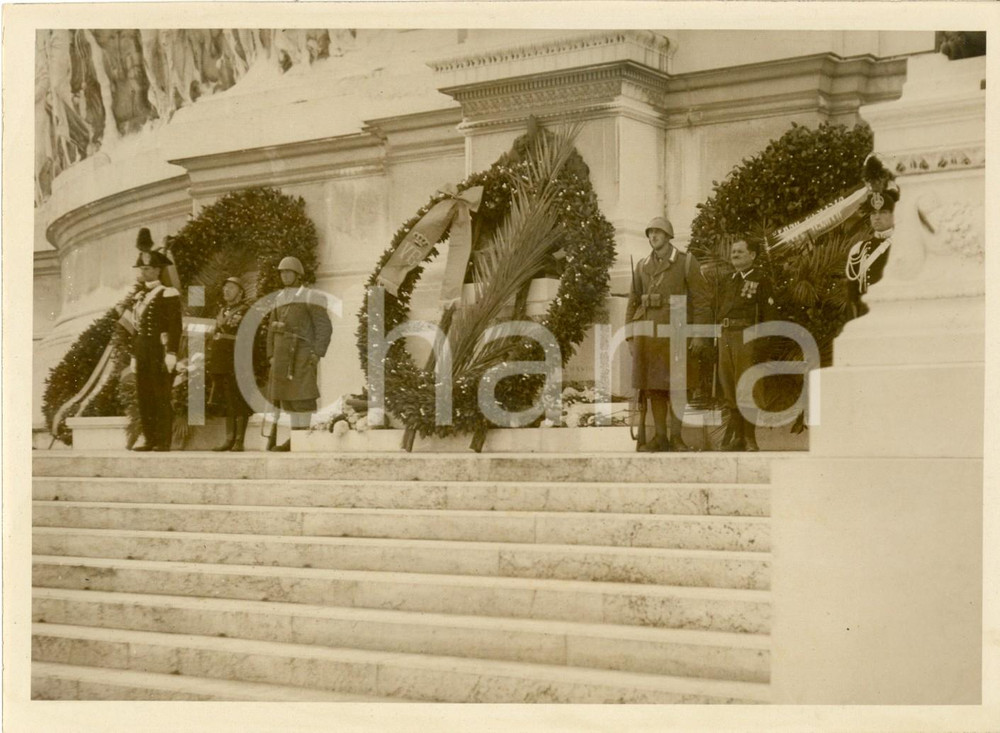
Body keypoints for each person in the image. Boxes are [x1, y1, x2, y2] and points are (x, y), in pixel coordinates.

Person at [626, 217, 713, 452]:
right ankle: (661, 438)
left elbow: (702, 302)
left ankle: (677, 437)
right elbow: (633, 303)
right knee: (654, 388)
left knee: (678, 386)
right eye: (650, 233)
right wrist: (630, 336)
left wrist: (698, 335)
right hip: (649, 336)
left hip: (677, 334)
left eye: (658, 233)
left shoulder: (685, 263)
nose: (653, 237)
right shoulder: (642, 265)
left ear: (668, 236)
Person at [265, 256, 333, 452]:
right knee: (289, 399)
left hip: (303, 354)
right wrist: (271, 355)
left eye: (288, 272)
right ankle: (296, 437)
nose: (284, 275)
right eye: (282, 272)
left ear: (298, 274)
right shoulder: (279, 298)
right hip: (282, 357)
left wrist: (316, 353)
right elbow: (271, 329)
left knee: (302, 397)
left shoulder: (311, 297)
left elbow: (324, 327)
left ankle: (302, 438)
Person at [716, 239, 775, 452]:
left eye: (740, 251)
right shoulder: (727, 280)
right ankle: (738, 438)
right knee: (730, 387)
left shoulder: (761, 280)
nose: (735, 254)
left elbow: (769, 316)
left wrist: (762, 346)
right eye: (733, 251)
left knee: (748, 387)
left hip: (748, 339)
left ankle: (750, 438)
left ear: (753, 255)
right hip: (726, 337)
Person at [129, 228, 182, 451]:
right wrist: (134, 354)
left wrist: (171, 353)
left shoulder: (168, 294)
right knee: (145, 396)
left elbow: (174, 326)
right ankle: (150, 439)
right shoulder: (140, 296)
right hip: (142, 350)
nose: (144, 272)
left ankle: (163, 440)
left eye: (148, 268)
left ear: (158, 270)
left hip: (159, 351)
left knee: (160, 395)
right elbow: (136, 328)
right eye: (142, 268)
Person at [208, 276, 252, 451]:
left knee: (239, 399)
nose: (226, 290)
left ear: (240, 293)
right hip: (222, 360)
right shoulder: (222, 311)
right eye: (225, 287)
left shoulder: (246, 310)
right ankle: (229, 438)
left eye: (231, 288)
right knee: (227, 399)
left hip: (237, 359)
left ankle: (239, 440)